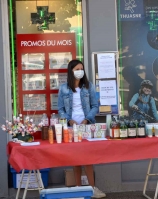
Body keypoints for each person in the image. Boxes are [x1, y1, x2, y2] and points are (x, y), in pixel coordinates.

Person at [58, 59, 106, 198]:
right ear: (71, 71)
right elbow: (60, 108)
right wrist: (70, 120)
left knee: (88, 159)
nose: (80, 71)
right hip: (71, 128)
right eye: (77, 69)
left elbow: (95, 106)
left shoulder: (88, 86)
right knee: (75, 160)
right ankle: (78, 189)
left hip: (87, 126)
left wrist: (86, 120)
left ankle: (92, 189)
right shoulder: (63, 88)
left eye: (82, 68)